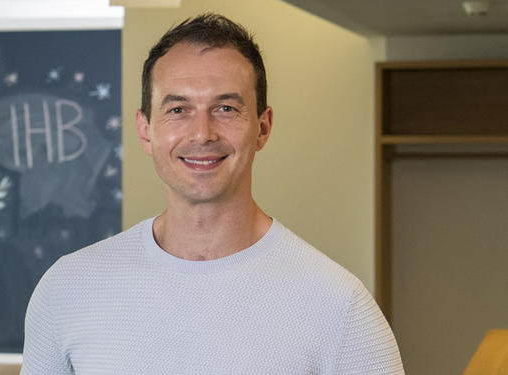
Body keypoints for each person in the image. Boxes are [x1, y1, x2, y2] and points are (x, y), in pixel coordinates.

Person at [21, 13, 404, 374]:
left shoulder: (340, 307)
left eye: (225, 107)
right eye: (178, 109)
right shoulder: (67, 289)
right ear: (145, 131)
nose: (202, 133)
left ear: (262, 127)